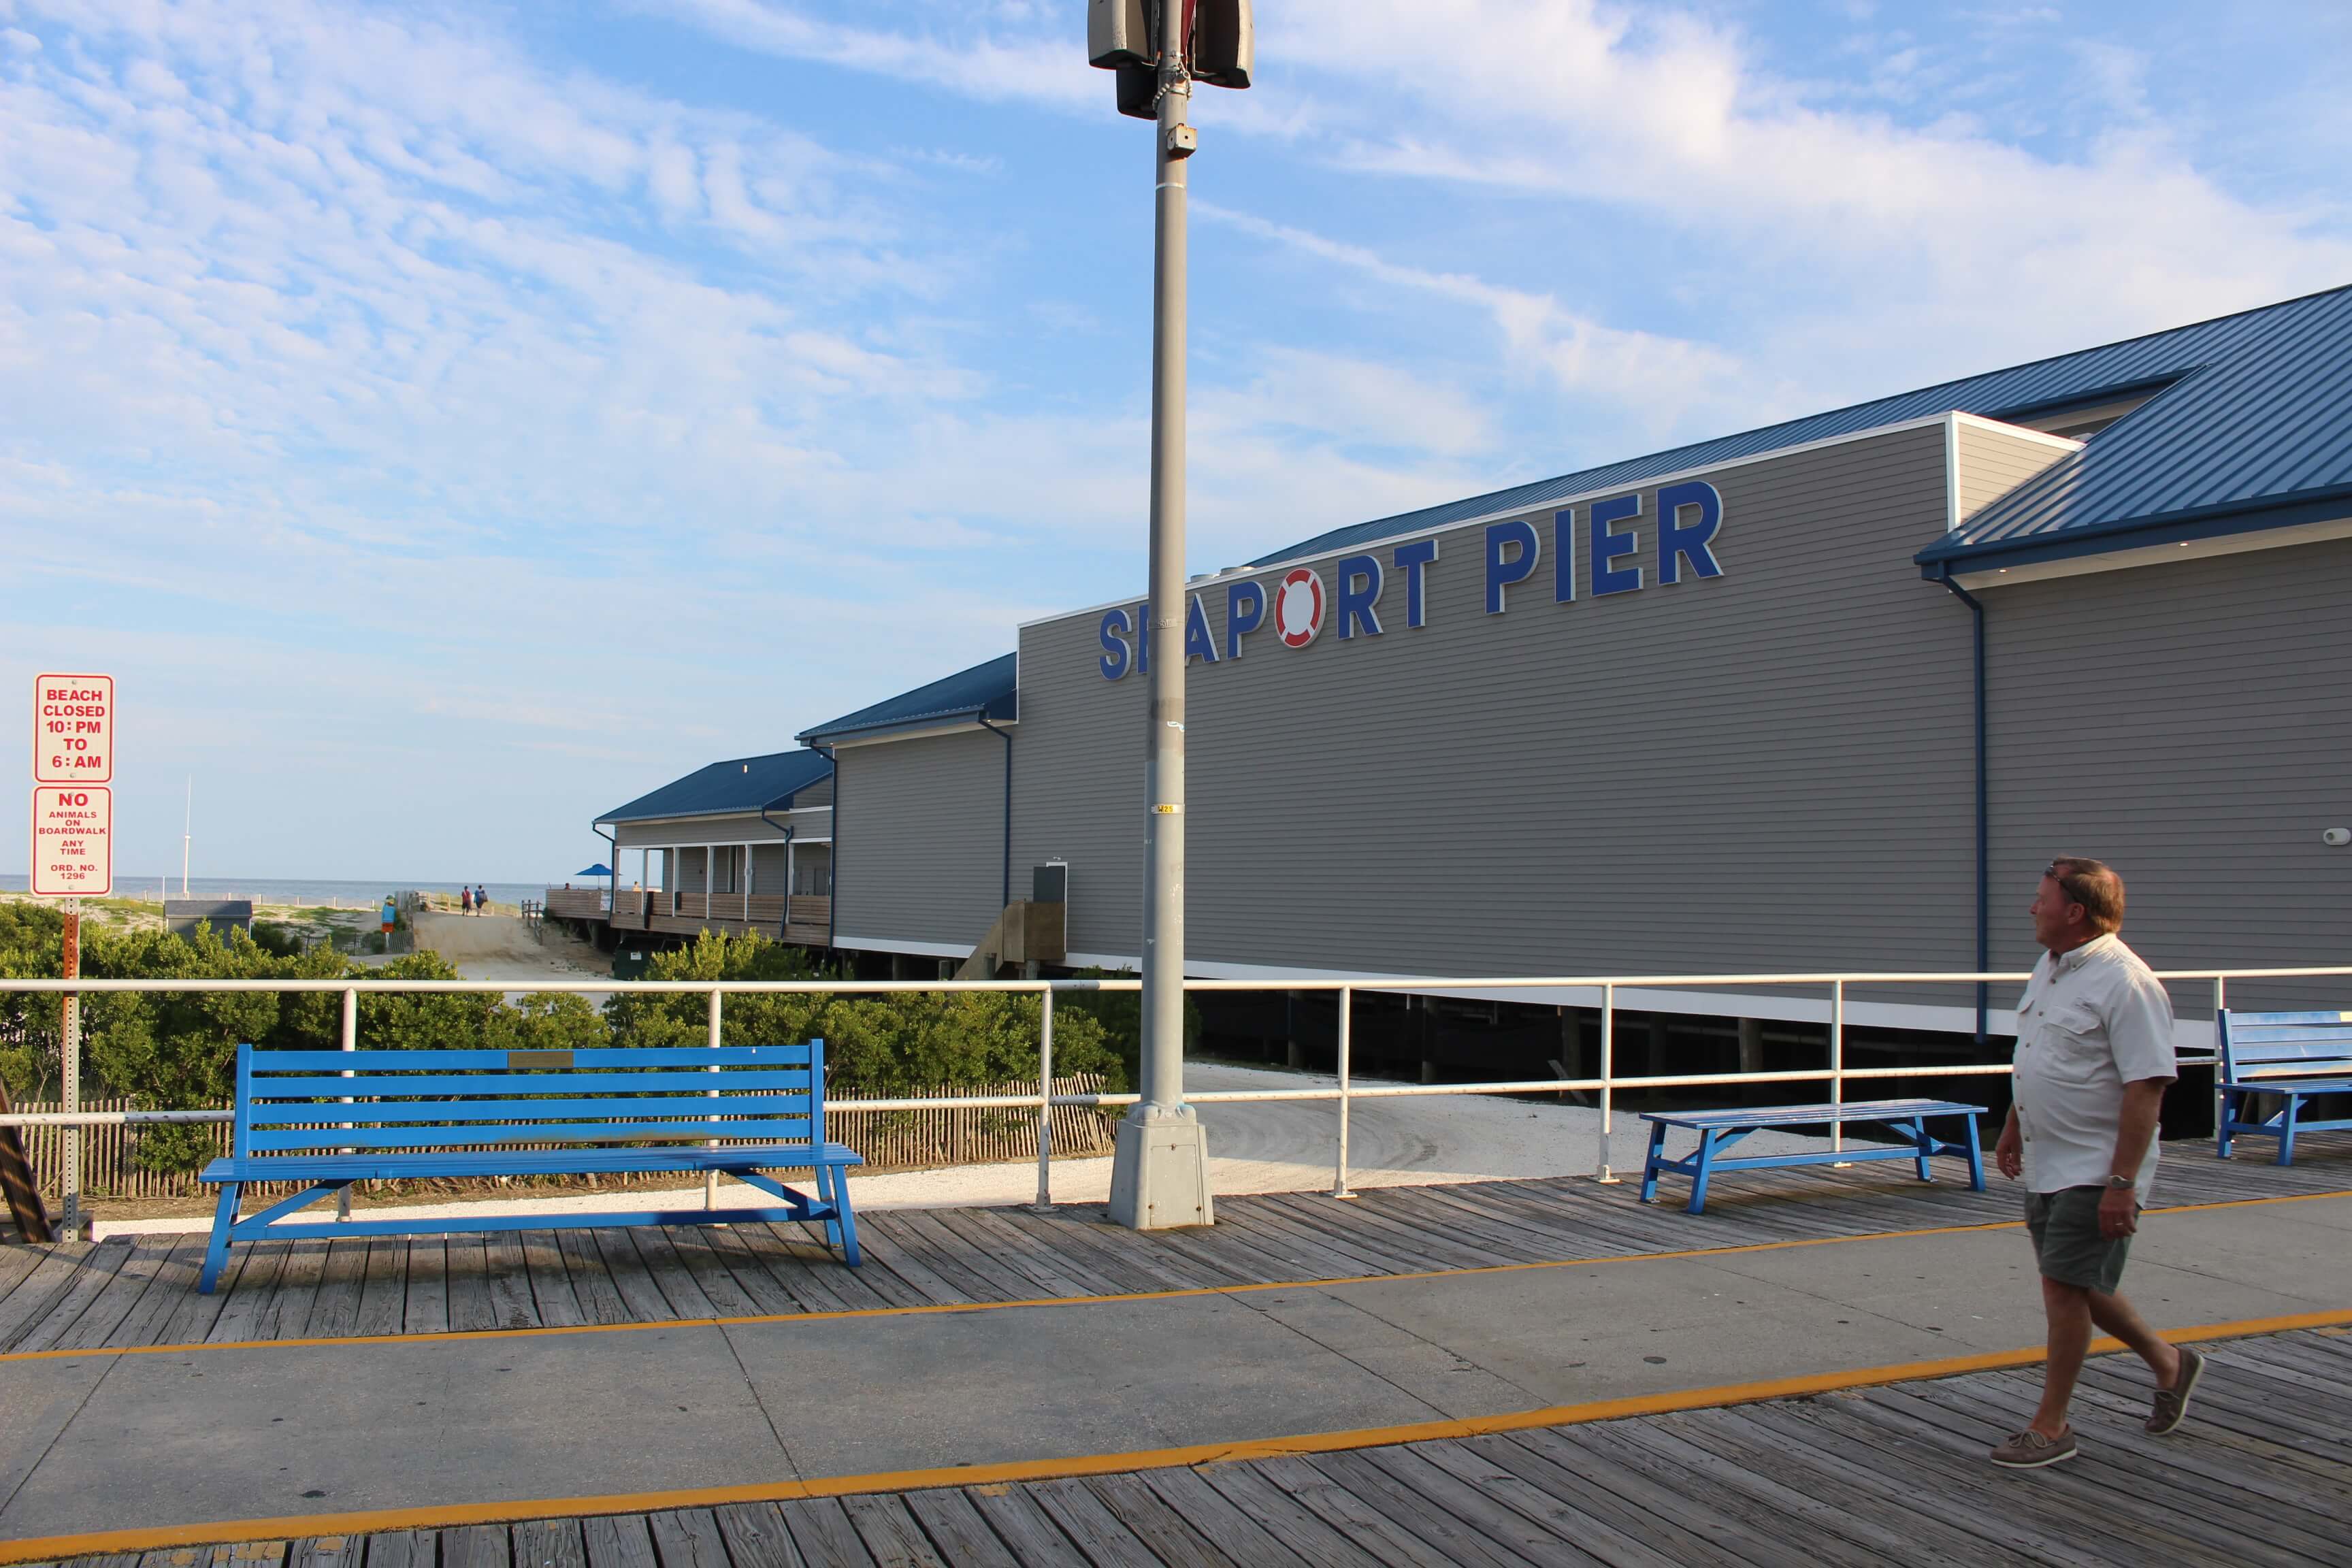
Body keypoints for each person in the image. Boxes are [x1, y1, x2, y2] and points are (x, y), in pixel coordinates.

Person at [1989, 856, 2202, 1469]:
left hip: (2097, 1165)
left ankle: (2051, 1426)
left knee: (2063, 1288)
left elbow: (2148, 1087)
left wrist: (2121, 1184)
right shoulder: (2052, 967)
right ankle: (2170, 1362)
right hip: (2050, 1157)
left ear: (2075, 912)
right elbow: (2035, 1053)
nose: (2032, 908)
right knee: (2078, 1283)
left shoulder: (2126, 982)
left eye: (2041, 899)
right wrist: (2012, 1126)